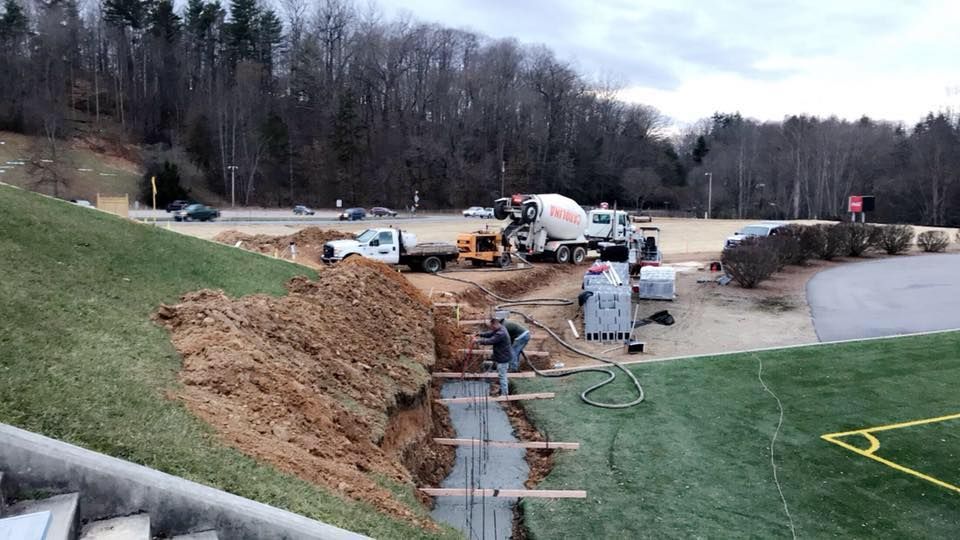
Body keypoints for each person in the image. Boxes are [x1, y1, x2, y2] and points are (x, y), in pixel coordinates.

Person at [474, 316, 513, 396]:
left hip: (503, 358)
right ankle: (503, 390)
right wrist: (480, 334)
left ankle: (505, 395)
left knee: (502, 376)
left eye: (492, 327)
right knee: (502, 375)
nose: (491, 329)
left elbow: (491, 340)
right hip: (501, 356)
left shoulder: (501, 333)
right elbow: (490, 334)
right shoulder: (499, 329)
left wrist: (478, 341)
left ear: (495, 324)